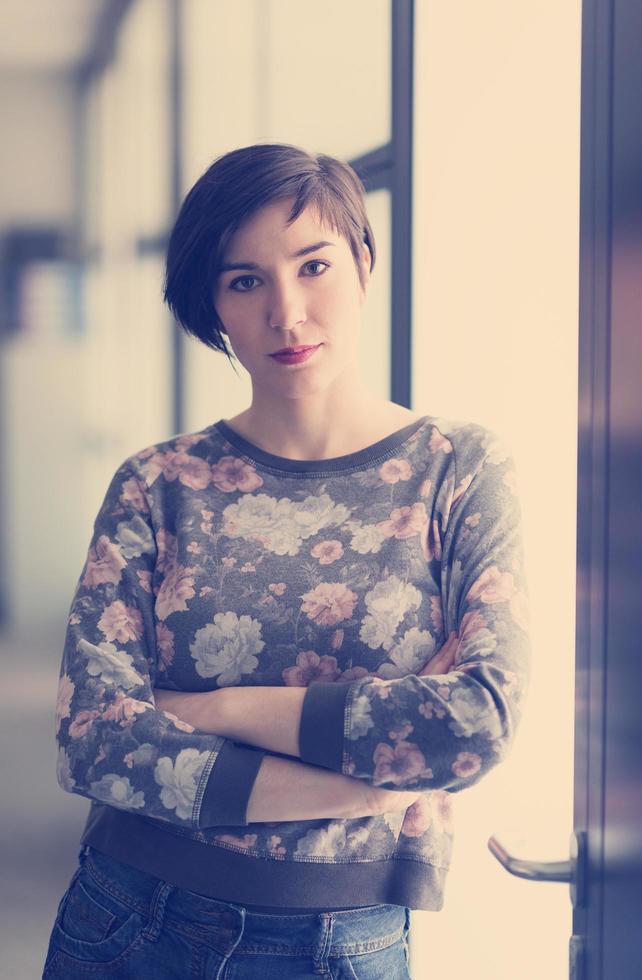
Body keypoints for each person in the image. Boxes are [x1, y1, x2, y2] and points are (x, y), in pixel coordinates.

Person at [43, 142, 532, 978]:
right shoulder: (157, 486)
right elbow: (94, 741)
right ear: (213, 305)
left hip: (342, 945)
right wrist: (366, 790)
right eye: (245, 282)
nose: (288, 312)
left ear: (365, 264)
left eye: (314, 266)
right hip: (130, 925)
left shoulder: (459, 470)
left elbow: (475, 722)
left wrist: (214, 709)